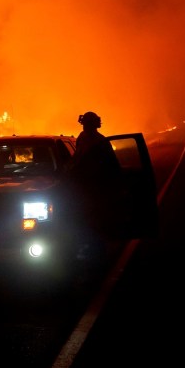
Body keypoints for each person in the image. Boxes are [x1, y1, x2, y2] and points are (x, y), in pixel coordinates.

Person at [65, 111, 123, 260]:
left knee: (95, 222)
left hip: (96, 187)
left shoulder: (100, 141)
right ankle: (92, 250)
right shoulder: (84, 138)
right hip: (86, 187)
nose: (85, 127)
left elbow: (111, 165)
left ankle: (97, 253)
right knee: (87, 221)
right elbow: (77, 159)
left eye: (87, 124)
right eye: (85, 124)